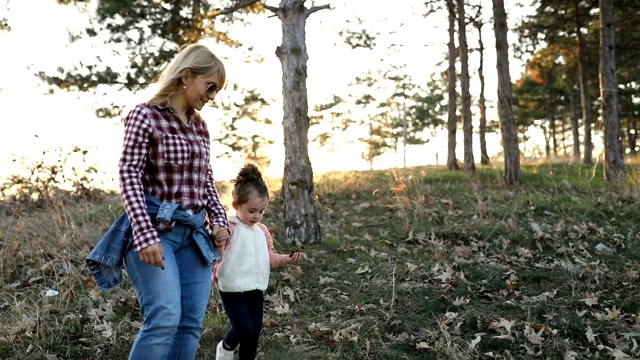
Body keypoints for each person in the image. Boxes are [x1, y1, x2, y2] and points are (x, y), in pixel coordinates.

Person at [118, 43, 230, 360]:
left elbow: (205, 180)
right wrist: (144, 233)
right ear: (186, 76)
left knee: (191, 324)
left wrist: (220, 222)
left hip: (194, 237)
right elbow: (129, 175)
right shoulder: (145, 116)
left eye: (216, 91)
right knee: (165, 319)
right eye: (210, 87)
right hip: (157, 231)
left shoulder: (200, 127)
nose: (212, 96)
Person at [213, 163, 305, 360]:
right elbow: (216, 252)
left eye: (261, 211)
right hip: (232, 289)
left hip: (255, 289)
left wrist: (287, 259)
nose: (257, 216)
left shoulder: (262, 231)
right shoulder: (229, 227)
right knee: (243, 327)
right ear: (237, 205)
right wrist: (217, 241)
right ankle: (226, 346)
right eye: (252, 210)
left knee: (253, 333)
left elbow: (269, 258)